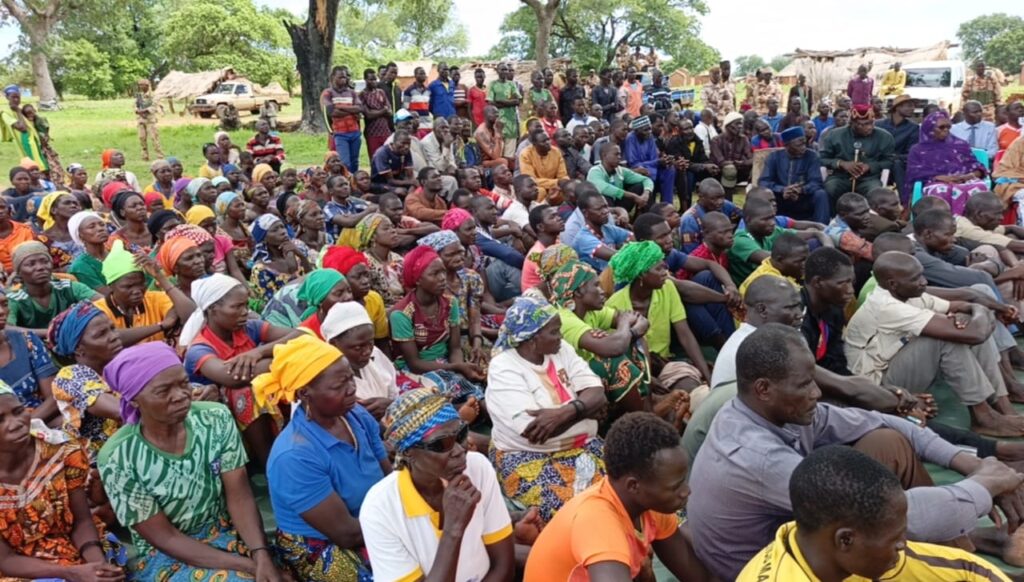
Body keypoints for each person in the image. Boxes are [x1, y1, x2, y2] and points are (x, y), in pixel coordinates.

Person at [688, 323, 1024, 579]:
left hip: (798, 538)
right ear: (764, 389)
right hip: (768, 569)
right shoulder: (756, 456)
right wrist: (986, 485)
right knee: (881, 529)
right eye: (804, 384)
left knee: (886, 440)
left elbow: (884, 421)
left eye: (813, 379)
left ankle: (961, 547)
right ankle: (957, 557)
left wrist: (968, 464)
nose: (816, 392)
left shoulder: (778, 411)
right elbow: (890, 516)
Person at [99, 342, 285, 581]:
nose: (180, 396)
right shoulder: (118, 457)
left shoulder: (215, 419)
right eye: (163, 391)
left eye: (183, 383)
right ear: (134, 399)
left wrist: (261, 554)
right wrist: (249, 566)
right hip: (168, 555)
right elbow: (166, 537)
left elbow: (239, 496)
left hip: (229, 529)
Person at [737, 445, 1012, 581]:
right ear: (845, 539)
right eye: (895, 539)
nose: (903, 545)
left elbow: (968, 570)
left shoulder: (823, 549)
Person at [253, 334, 388, 581]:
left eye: (351, 378)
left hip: (372, 520)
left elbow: (389, 477)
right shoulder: (294, 456)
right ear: (305, 393)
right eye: (338, 386)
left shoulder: (356, 415)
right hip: (323, 542)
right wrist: (400, 522)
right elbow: (346, 534)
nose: (352, 389)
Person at [846, 250, 1024, 435]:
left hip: (896, 365)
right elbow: (976, 334)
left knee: (965, 322)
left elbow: (958, 305)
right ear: (893, 284)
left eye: (922, 275)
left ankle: (1003, 404)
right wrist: (980, 310)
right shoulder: (887, 306)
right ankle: (983, 417)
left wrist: (971, 309)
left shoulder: (906, 293)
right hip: (878, 386)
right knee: (947, 338)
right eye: (916, 278)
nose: (924, 281)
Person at [524, 412, 709, 582]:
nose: (686, 491)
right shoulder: (598, 521)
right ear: (634, 486)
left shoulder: (650, 507)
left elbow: (698, 577)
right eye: (675, 487)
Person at [360, 388, 514, 580]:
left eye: (460, 435)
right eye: (441, 444)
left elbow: (504, 567)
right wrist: (453, 529)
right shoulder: (379, 509)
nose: (459, 451)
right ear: (408, 452)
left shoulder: (477, 467)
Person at [486, 295, 608, 523]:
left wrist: (563, 413)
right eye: (554, 332)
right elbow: (534, 431)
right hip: (527, 457)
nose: (561, 336)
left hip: (584, 446)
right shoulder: (504, 367)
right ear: (532, 339)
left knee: (625, 487)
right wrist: (586, 412)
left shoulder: (562, 350)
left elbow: (597, 394)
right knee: (574, 512)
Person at [391, 245, 486, 409]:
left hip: (445, 362)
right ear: (418, 279)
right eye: (435, 274)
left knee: (478, 378)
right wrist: (455, 368)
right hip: (416, 370)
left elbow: (455, 348)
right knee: (456, 389)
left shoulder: (450, 303)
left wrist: (460, 369)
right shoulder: (402, 314)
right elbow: (414, 363)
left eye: (443, 272)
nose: (442, 278)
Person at [606, 241, 711, 386]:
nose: (665, 273)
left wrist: (708, 376)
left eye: (664, 267)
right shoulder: (614, 305)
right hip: (632, 370)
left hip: (664, 364)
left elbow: (685, 335)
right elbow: (617, 352)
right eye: (658, 269)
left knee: (689, 385)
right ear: (642, 274)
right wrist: (648, 380)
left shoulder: (667, 288)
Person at [95, 239, 195, 346]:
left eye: (141, 284)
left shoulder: (155, 299)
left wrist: (160, 277)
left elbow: (192, 317)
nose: (137, 291)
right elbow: (111, 338)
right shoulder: (98, 310)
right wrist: (161, 326)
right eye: (128, 286)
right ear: (110, 286)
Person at [6, 241, 100, 334]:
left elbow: (102, 303)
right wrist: (51, 333)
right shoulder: (14, 298)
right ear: (19, 272)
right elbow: (6, 328)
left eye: (45, 262)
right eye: (31, 264)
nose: (40, 267)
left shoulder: (69, 287)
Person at [906, 110, 989, 215]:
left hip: (964, 180)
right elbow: (914, 172)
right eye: (941, 127)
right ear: (929, 128)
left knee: (979, 188)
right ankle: (942, 222)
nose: (946, 130)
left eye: (948, 127)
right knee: (940, 191)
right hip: (935, 182)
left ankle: (974, 222)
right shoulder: (918, 150)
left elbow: (978, 167)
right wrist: (938, 177)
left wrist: (968, 176)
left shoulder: (960, 144)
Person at [821, 104, 895, 203]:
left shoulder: (884, 136)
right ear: (852, 123)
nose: (869, 127)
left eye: (871, 123)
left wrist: (869, 166)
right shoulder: (835, 135)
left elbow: (889, 161)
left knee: (875, 192)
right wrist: (841, 164)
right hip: (840, 177)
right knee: (830, 188)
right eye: (863, 124)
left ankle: (869, 214)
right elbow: (822, 159)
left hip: (869, 179)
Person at [758, 126, 829, 223]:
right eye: (799, 145)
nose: (803, 148)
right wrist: (782, 189)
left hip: (803, 198)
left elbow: (816, 182)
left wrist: (801, 190)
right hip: (780, 199)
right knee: (761, 194)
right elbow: (763, 182)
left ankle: (822, 228)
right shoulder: (774, 157)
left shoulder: (812, 156)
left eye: (804, 143)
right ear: (786, 145)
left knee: (821, 194)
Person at [563, 184, 633, 272]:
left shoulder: (607, 229)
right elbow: (617, 256)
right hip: (597, 279)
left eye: (606, 206)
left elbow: (634, 239)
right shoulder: (583, 238)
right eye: (599, 209)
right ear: (585, 213)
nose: (606, 211)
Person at [875, 94, 919, 200]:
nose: (913, 109)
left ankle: (905, 201)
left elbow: (911, 152)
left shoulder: (913, 128)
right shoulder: (879, 124)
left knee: (897, 164)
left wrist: (895, 157)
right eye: (909, 106)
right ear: (898, 107)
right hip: (877, 161)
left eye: (913, 106)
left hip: (898, 163)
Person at [587, 143, 652, 213]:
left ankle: (644, 216)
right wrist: (633, 196)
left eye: (620, 154)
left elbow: (646, 179)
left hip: (618, 203)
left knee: (641, 186)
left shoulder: (620, 170)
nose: (619, 157)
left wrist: (646, 194)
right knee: (606, 196)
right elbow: (605, 188)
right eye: (616, 154)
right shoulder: (595, 171)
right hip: (601, 207)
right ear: (604, 155)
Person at [737, 232, 808, 296]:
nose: (805, 264)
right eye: (800, 261)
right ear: (779, 260)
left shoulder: (785, 270)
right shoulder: (769, 282)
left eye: (806, 259)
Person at [520, 129, 569, 203]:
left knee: (567, 187)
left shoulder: (556, 151)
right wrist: (556, 182)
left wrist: (563, 182)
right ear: (534, 144)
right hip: (537, 187)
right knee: (540, 192)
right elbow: (531, 180)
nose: (548, 143)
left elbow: (563, 175)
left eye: (548, 139)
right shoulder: (526, 154)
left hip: (555, 186)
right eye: (543, 141)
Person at [710, 111, 753, 191]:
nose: (740, 126)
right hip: (718, 172)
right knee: (729, 169)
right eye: (737, 124)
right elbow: (721, 162)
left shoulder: (743, 139)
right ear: (728, 125)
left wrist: (742, 163)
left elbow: (751, 158)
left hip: (738, 171)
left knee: (755, 168)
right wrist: (737, 163)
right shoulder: (716, 140)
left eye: (741, 124)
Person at [488, 63, 522, 160]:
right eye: (502, 69)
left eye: (506, 69)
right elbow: (491, 103)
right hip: (498, 124)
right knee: (498, 155)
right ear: (497, 71)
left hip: (511, 125)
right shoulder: (493, 84)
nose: (504, 72)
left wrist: (500, 101)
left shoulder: (512, 84)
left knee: (509, 155)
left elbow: (518, 101)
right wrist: (510, 102)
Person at [133, 79, 163, 161]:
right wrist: (137, 110)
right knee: (142, 138)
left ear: (147, 86)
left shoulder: (153, 96)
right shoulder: (139, 96)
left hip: (150, 120)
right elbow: (135, 105)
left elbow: (154, 106)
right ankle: (144, 156)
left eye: (142, 85)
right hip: (141, 120)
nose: (141, 87)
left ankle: (160, 156)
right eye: (140, 85)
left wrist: (144, 110)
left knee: (154, 138)